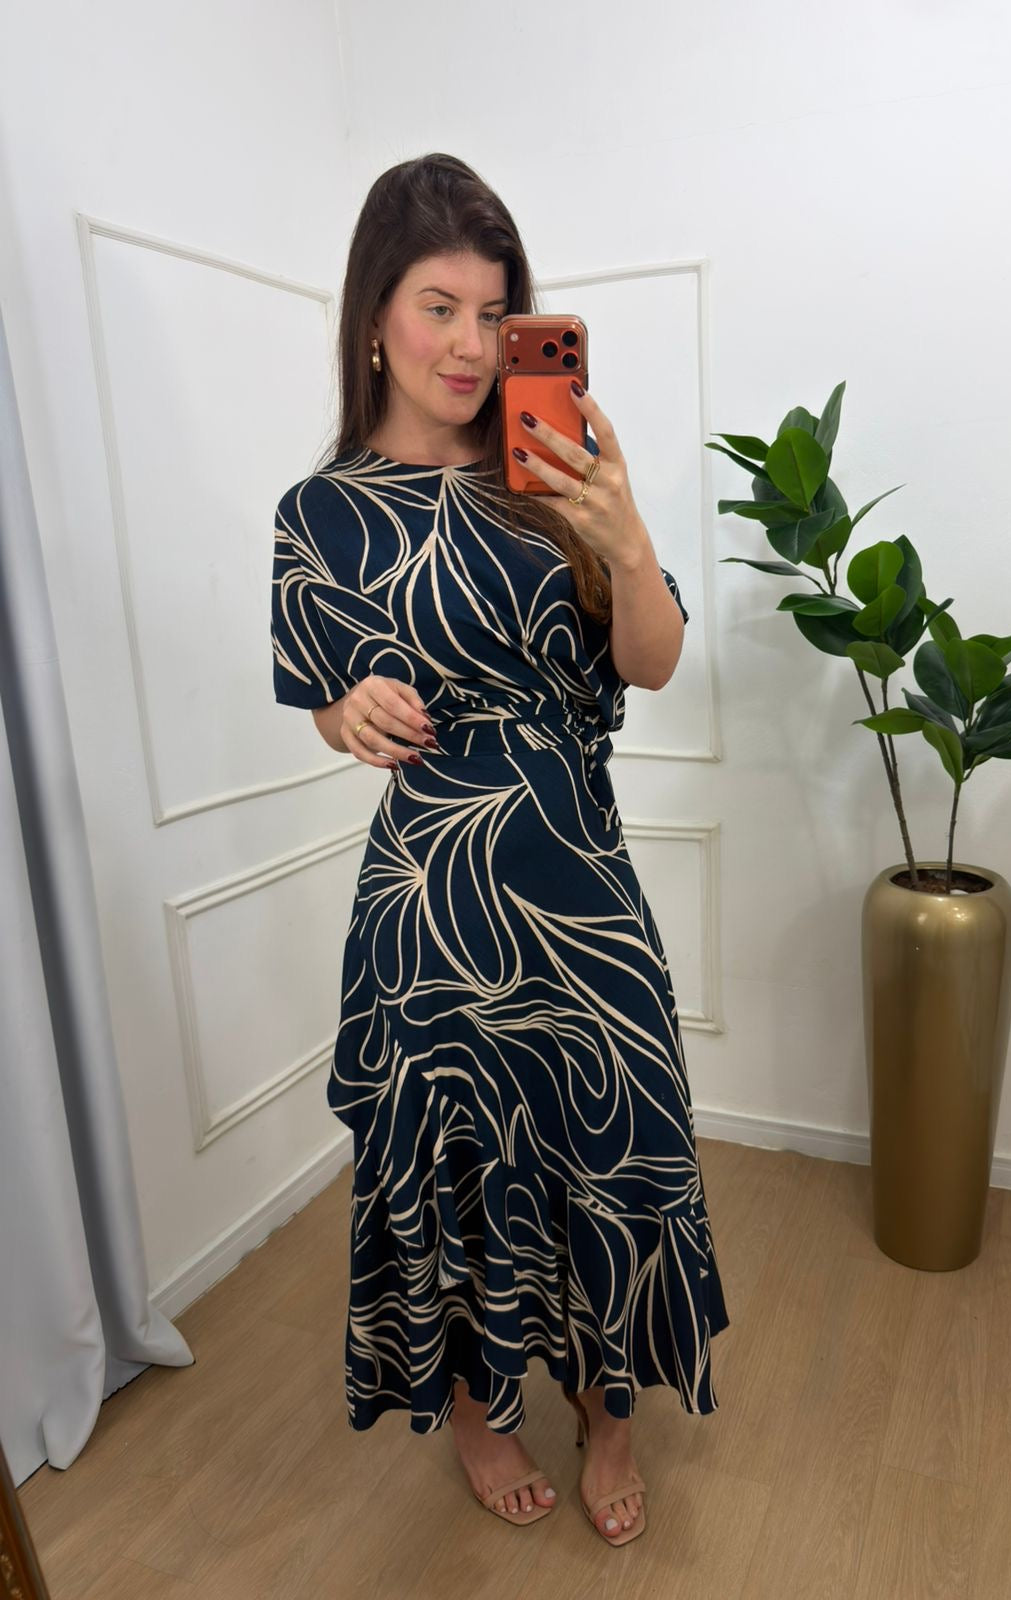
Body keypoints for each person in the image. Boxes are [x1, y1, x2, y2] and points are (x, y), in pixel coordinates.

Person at [269, 152, 730, 1548]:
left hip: (580, 883)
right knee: (458, 1165)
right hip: (430, 912)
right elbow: (324, 705)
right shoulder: (318, 517)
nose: (471, 345)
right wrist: (345, 713)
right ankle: (478, 1409)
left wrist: (624, 535)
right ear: (374, 319)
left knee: (617, 1143)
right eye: (438, 308)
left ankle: (608, 1411)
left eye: (494, 310)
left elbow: (650, 664)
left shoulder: (555, 472)